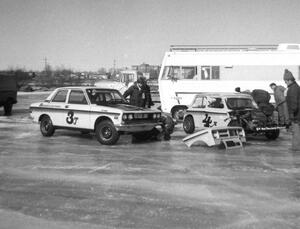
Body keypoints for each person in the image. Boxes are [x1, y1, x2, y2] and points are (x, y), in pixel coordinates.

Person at [284, 69, 300, 150]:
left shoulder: (293, 89)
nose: (285, 82)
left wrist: (291, 114)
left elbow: (293, 103)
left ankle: (296, 147)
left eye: (285, 81)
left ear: (290, 80)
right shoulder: (295, 87)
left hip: (296, 115)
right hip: (297, 114)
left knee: (296, 131)